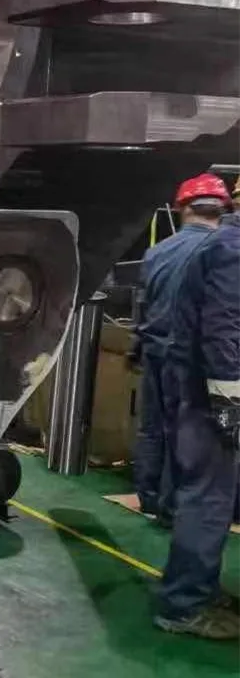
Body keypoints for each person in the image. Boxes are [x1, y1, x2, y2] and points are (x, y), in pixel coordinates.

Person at [154, 210, 240, 639]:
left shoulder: (222, 244)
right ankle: (183, 604)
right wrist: (229, 399)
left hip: (195, 387)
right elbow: (223, 326)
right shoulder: (233, 250)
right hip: (207, 395)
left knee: (207, 494)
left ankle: (197, 588)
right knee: (208, 497)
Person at [133, 174, 231, 526]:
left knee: (153, 427)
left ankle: (148, 496)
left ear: (183, 209)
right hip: (192, 359)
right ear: (222, 210)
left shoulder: (156, 251)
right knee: (185, 432)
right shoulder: (222, 253)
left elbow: (142, 304)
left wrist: (136, 346)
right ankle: (172, 507)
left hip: (154, 350)